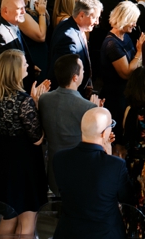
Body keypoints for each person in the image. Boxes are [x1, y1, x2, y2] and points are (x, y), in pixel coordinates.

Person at [0, 50, 50, 236]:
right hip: (24, 166)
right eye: (24, 63)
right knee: (27, 220)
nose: (27, 65)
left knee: (8, 217)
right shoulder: (24, 101)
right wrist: (36, 104)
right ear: (14, 70)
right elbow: (37, 139)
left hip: (2, 163)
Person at [53, 107, 134, 239]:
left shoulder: (60, 159)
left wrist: (106, 153)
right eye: (111, 125)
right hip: (105, 234)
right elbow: (127, 197)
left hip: (68, 232)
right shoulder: (116, 165)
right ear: (103, 133)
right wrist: (108, 153)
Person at [40, 55, 97, 196]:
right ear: (75, 77)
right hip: (79, 172)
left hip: (53, 172)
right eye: (82, 70)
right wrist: (97, 111)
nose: (84, 72)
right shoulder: (88, 106)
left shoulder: (44, 100)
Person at [101, 2, 145, 121]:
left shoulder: (125, 36)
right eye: (133, 21)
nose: (135, 25)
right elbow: (126, 73)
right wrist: (139, 52)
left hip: (127, 93)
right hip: (116, 97)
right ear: (124, 19)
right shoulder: (112, 44)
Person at [48, 0, 101, 94]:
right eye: (94, 18)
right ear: (81, 15)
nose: (97, 22)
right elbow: (67, 76)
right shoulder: (68, 38)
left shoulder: (67, 24)